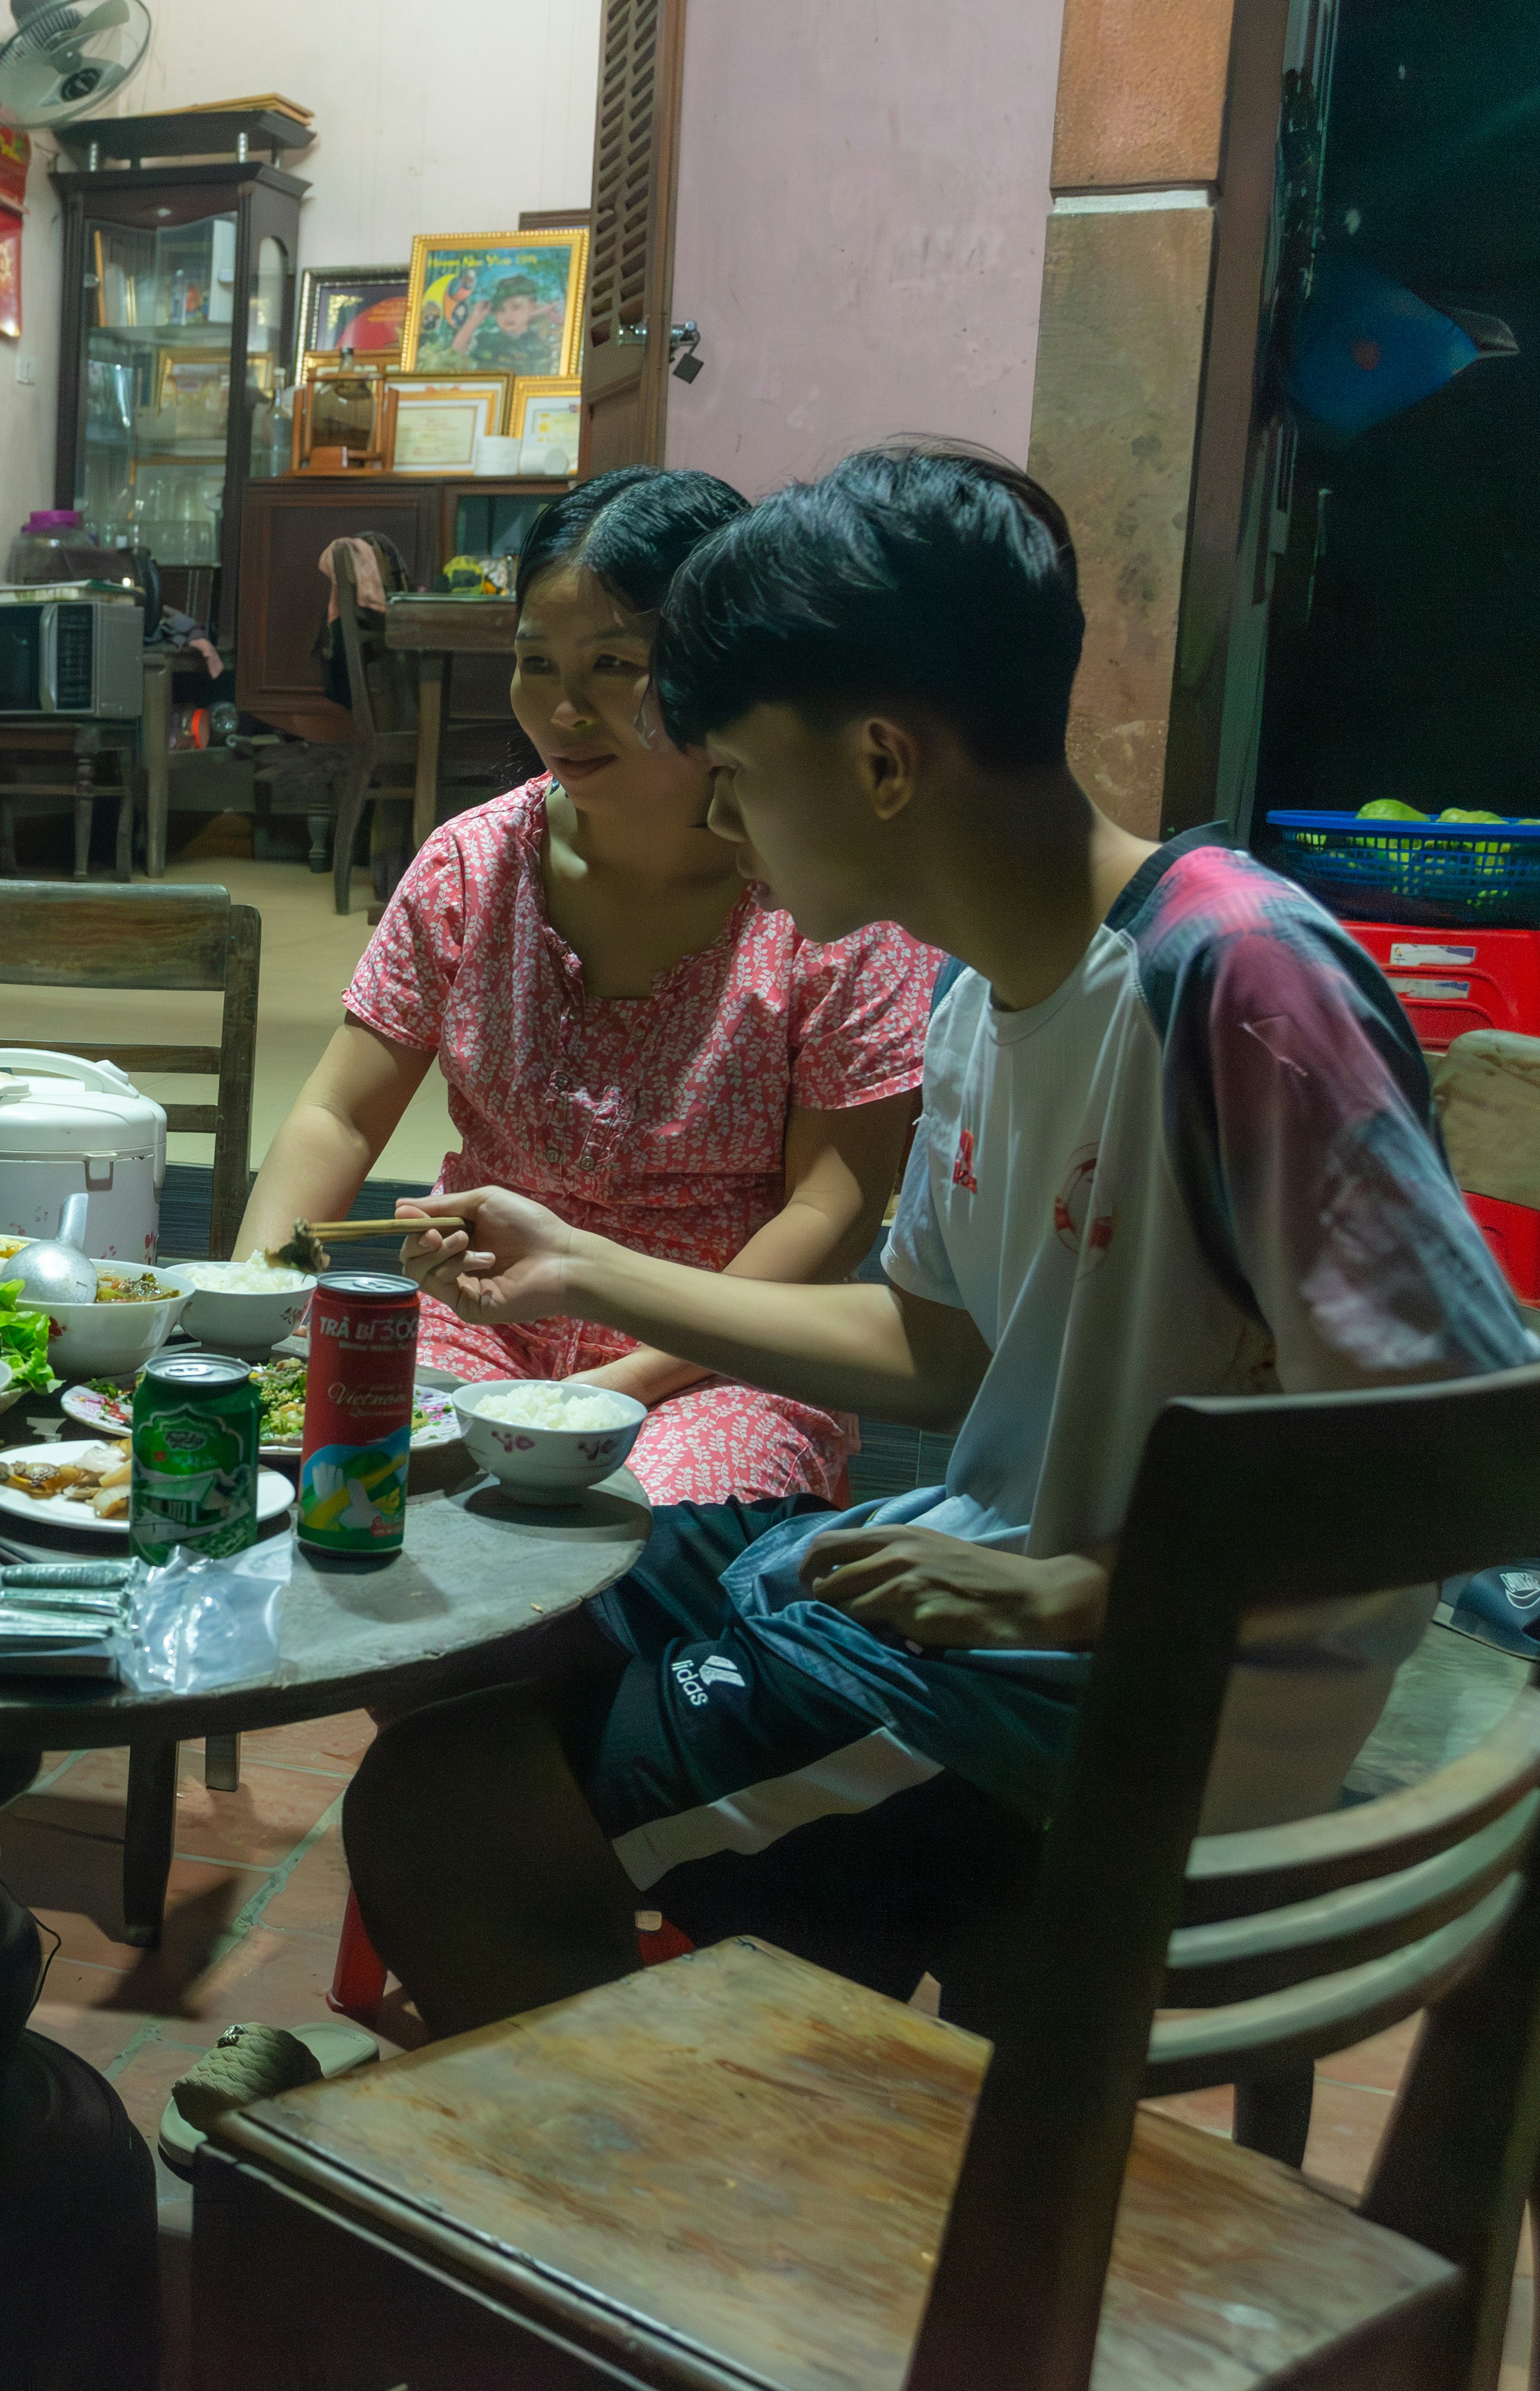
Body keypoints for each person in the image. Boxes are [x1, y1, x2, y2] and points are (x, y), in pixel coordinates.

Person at [349, 447, 1536, 2040]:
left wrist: (1087, 1588)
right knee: (505, 1637)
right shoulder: (981, 988)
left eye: (741, 776)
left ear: (886, 764)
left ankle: (696, 2213)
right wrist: (585, 1267)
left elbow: (1468, 1453)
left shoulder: (1238, 977)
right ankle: (778, 2111)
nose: (716, 816)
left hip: (1132, 1702)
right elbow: (940, 1341)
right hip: (998, 1595)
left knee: (452, 1818)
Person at [233, 468, 935, 1503]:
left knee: (642, 1532)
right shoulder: (474, 865)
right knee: (340, 1479)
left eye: (615, 665)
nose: (562, 710)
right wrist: (251, 1307)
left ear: (714, 671)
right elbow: (339, 1113)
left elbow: (833, 1209)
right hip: (477, 1316)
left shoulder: (822, 893)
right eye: (534, 663)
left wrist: (611, 1389)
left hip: (722, 1348)